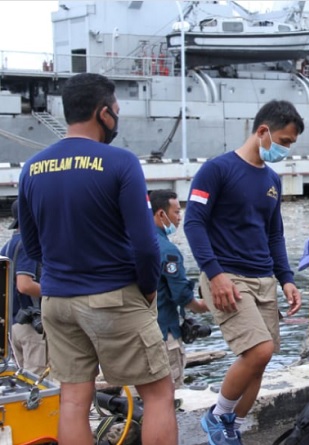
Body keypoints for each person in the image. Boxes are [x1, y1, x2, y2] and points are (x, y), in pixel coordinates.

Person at [17, 72, 176, 445]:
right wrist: (149, 289)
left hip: (56, 301)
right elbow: (145, 244)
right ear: (103, 113)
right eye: (116, 111)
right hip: (113, 296)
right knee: (157, 394)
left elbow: (31, 245)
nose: (117, 119)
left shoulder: (32, 168)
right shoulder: (119, 162)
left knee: (74, 399)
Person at [184, 100, 303, 445]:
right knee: (259, 351)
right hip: (226, 276)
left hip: (263, 277)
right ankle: (217, 416)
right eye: (284, 140)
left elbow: (274, 234)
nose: (286, 149)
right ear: (263, 131)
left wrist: (287, 279)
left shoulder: (272, 180)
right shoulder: (217, 169)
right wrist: (214, 273)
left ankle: (229, 427)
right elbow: (193, 222)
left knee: (259, 362)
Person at [149, 189, 208, 389]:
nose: (179, 218)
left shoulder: (129, 242)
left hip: (132, 332)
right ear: (161, 214)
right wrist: (202, 306)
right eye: (176, 212)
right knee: (167, 392)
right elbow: (181, 294)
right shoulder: (168, 251)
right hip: (164, 330)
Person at [1, 200, 46, 376]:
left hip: (13, 325)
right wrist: (58, 292)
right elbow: (24, 284)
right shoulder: (29, 245)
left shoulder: (7, 246)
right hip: (32, 326)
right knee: (38, 382)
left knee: (21, 378)